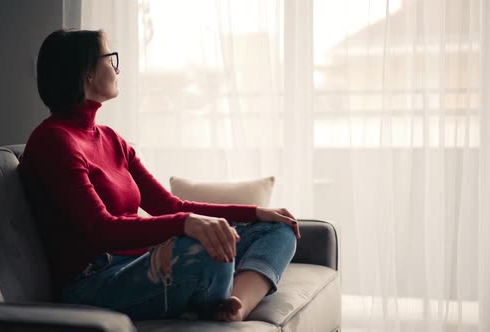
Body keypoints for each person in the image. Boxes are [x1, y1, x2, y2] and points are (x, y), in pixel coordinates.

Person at [18, 28, 300, 322]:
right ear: (86, 72)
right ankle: (212, 295)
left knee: (278, 229)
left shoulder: (111, 139)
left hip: (141, 259)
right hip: (96, 281)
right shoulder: (53, 140)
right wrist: (187, 226)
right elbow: (100, 229)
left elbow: (170, 206)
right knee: (202, 248)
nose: (118, 68)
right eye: (110, 58)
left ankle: (233, 307)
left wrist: (255, 212)